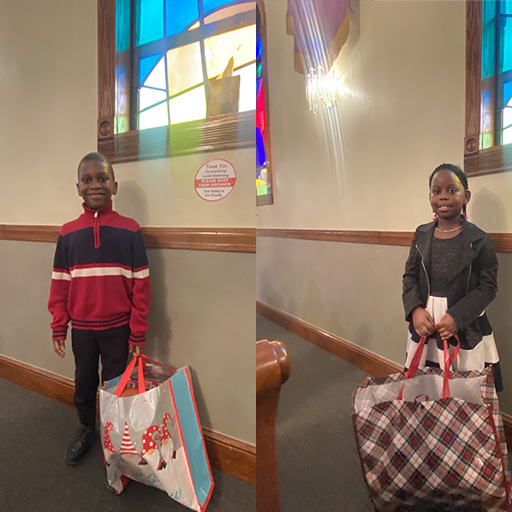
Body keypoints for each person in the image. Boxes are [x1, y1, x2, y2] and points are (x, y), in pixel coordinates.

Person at [48, 152, 150, 465]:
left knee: (115, 383)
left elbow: (142, 285)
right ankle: (86, 427)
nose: (96, 185)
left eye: (102, 179)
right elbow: (60, 283)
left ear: (114, 186)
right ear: (78, 187)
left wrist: (138, 330)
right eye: (88, 180)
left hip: (118, 328)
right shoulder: (68, 233)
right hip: (82, 328)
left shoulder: (131, 231)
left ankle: (115, 433)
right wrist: (58, 325)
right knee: (84, 380)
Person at [402, 163, 502, 391]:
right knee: (425, 388)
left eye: (452, 190)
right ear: (430, 198)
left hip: (463, 326)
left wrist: (457, 317)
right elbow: (409, 277)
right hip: (426, 325)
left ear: (466, 196)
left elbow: (488, 287)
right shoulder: (421, 234)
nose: (443, 197)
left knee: (464, 391)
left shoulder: (479, 240)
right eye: (436, 191)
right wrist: (415, 310)